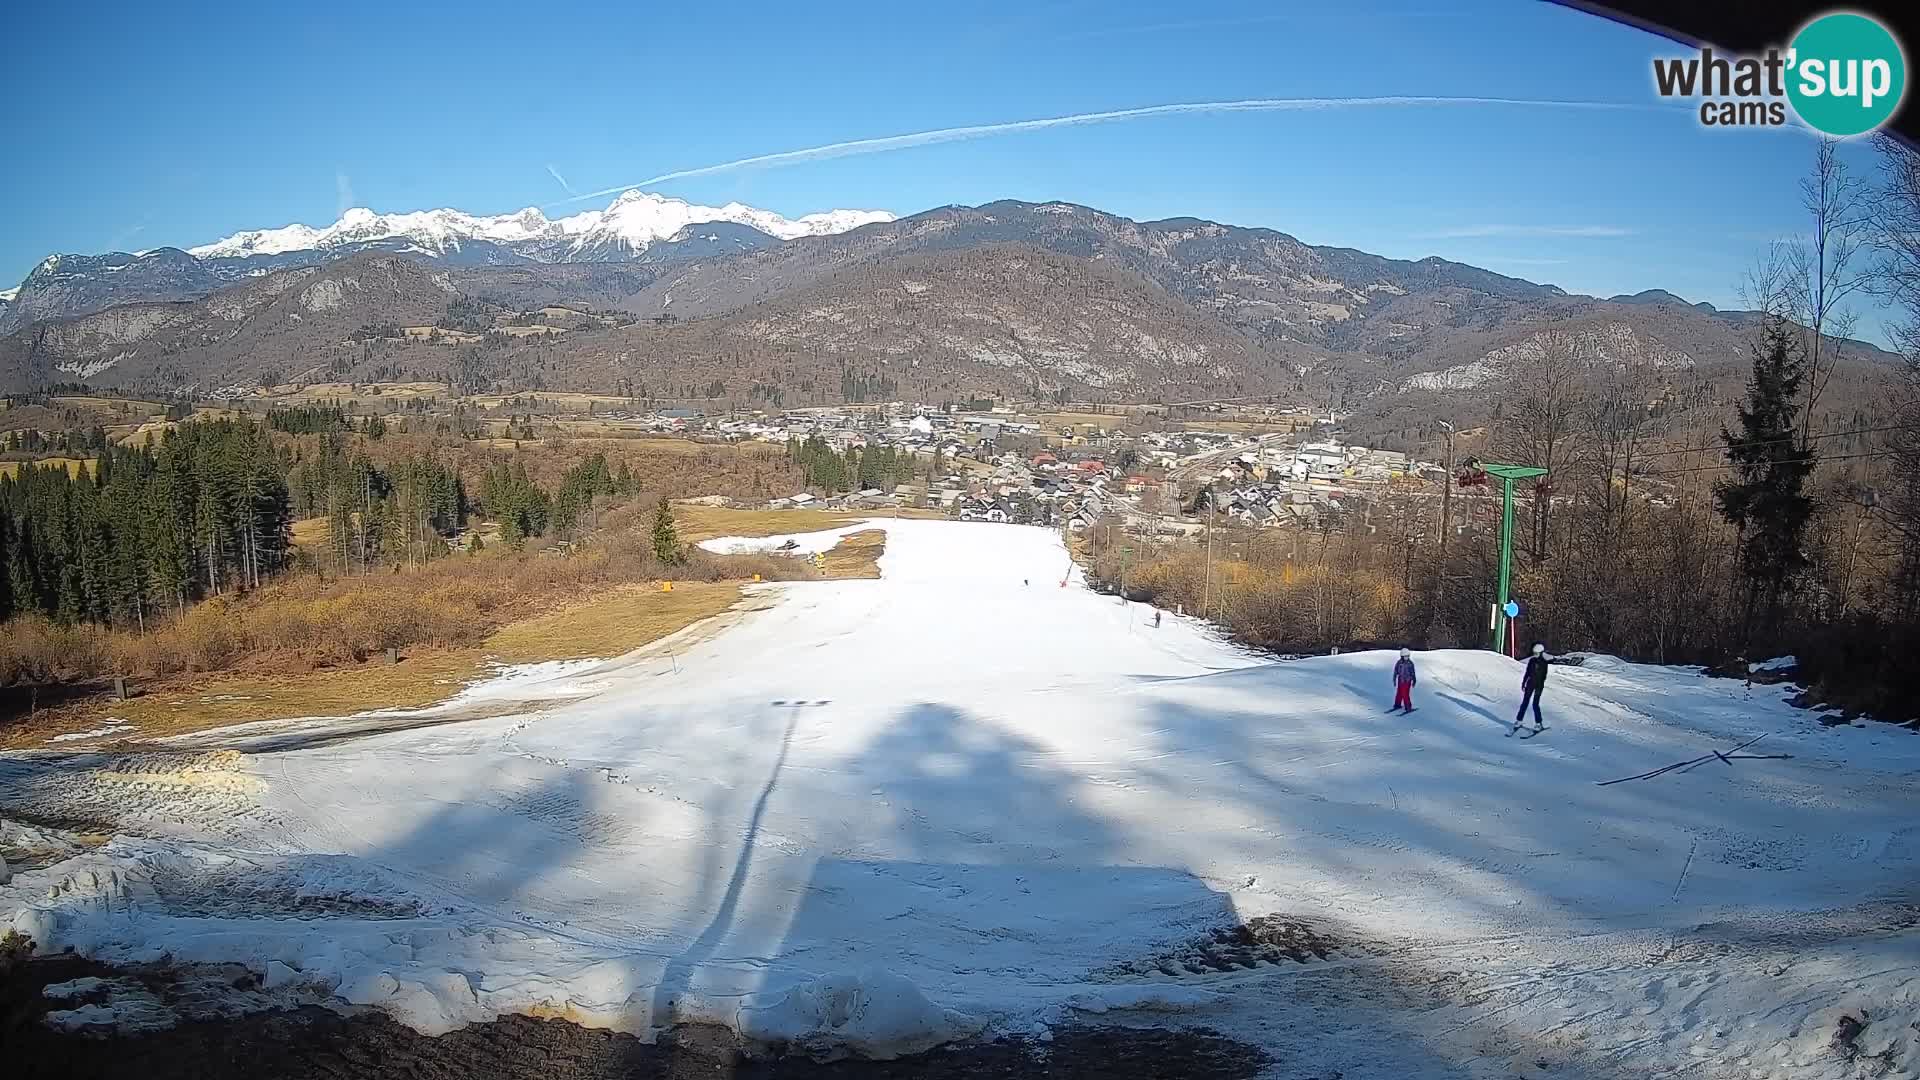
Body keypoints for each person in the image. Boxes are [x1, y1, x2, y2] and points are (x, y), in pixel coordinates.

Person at [1514, 643, 1549, 732]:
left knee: (1535, 704)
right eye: (1534, 653)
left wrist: (1539, 686)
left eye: (1537, 653)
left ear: (1541, 653)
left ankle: (1538, 723)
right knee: (1525, 702)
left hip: (1538, 686)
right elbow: (1527, 673)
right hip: (1530, 684)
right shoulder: (1532, 661)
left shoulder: (1544, 663)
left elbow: (1543, 677)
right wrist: (1524, 683)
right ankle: (1519, 720)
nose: (1535, 655)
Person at [1391, 648, 1416, 714]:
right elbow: (1396, 671)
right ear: (1402, 656)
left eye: (1407, 656)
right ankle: (1397, 704)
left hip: (1407, 681)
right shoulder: (1399, 663)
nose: (1406, 658)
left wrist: (1414, 680)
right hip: (1400, 680)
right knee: (1399, 693)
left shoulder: (1410, 663)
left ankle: (1408, 706)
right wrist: (1394, 679)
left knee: (1405, 693)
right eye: (1405, 656)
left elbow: (1413, 672)